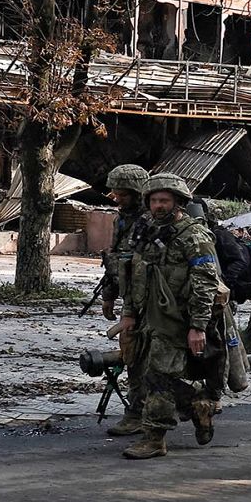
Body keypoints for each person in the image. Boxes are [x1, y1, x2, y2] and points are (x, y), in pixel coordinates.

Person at [118, 173, 226, 459]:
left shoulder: (194, 235)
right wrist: (128, 313)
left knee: (159, 376)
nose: (158, 206)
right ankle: (196, 405)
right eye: (153, 200)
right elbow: (131, 273)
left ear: (178, 203)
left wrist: (198, 326)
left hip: (176, 317)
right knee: (144, 373)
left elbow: (205, 282)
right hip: (145, 315)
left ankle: (155, 438)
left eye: (164, 200)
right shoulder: (144, 230)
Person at [98, 164, 152, 436]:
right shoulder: (122, 220)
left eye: (122, 194)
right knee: (132, 357)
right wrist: (109, 296)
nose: (116, 199)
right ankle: (137, 411)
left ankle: (146, 412)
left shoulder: (153, 221)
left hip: (154, 303)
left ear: (138, 193)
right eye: (115, 193)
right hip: (130, 301)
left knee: (152, 360)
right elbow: (115, 260)